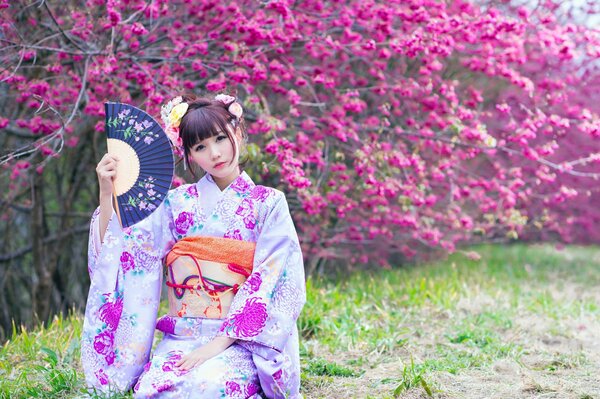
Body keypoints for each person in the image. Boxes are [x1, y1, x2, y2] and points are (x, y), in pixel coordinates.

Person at [81, 94, 306, 398]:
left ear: (237, 133)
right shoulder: (177, 204)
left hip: (239, 343)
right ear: (188, 155)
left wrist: (216, 345)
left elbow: (275, 277)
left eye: (220, 138)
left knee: (208, 386)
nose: (215, 153)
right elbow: (128, 252)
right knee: (155, 390)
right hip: (182, 338)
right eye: (200, 147)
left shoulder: (269, 204)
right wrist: (107, 193)